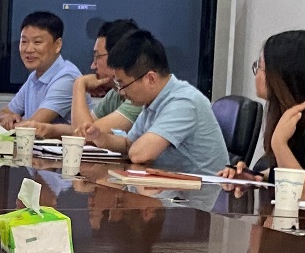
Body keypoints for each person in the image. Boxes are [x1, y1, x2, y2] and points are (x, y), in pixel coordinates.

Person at [219, 30, 305, 201]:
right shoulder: (293, 117)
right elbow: (297, 170)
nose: (256, 74)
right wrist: (254, 177)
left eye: (259, 67)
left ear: (280, 76)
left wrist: (279, 144)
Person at [85, 30, 229, 175]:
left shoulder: (184, 101)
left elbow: (140, 154)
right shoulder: (153, 101)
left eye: (123, 84)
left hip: (201, 187)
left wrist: (132, 148)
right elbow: (128, 144)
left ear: (150, 79)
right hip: (169, 184)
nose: (121, 92)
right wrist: (99, 137)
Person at [23, 18, 141, 140]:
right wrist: (49, 130)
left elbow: (85, 135)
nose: (93, 65)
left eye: (97, 56)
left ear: (119, 56)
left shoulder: (138, 97)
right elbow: (81, 129)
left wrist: (79, 84)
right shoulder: (114, 95)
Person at [0, 11, 82, 129]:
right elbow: (0, 114)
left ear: (58, 45)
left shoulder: (67, 77)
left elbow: (32, 126)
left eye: (37, 42)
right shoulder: (34, 77)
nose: (29, 49)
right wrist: (8, 118)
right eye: (24, 42)